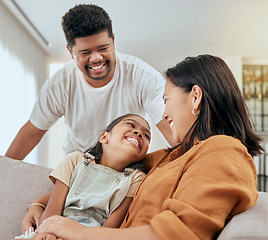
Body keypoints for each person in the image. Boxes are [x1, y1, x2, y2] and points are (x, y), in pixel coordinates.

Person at [25, 54, 262, 240]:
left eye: (166, 100)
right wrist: (40, 203)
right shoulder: (174, 156)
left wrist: (80, 233)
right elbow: (102, 173)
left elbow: (178, 234)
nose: (164, 112)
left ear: (195, 97)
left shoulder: (223, 152)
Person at [5, 4, 174, 161]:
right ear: (70, 52)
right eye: (85, 52)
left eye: (103, 48)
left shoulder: (143, 76)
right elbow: (32, 132)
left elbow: (170, 127)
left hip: (126, 165)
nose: (96, 58)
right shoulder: (60, 84)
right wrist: (4, 170)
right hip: (80, 163)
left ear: (113, 41)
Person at [15, 113, 151, 240]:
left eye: (146, 136)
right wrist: (46, 233)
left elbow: (112, 227)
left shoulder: (136, 178)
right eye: (131, 125)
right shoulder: (75, 160)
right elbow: (53, 207)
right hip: (55, 228)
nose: (139, 133)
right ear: (104, 137)